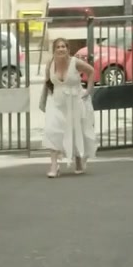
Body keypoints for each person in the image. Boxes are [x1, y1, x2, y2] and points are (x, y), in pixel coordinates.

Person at [39, 38, 98, 178]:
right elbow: (48, 82)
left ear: (68, 49)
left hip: (74, 101)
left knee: (75, 130)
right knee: (52, 130)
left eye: (63, 46)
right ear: (54, 50)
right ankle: (54, 166)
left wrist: (88, 91)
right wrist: (48, 98)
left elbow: (91, 72)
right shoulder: (50, 64)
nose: (61, 49)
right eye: (58, 47)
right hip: (56, 102)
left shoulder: (75, 62)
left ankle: (78, 161)